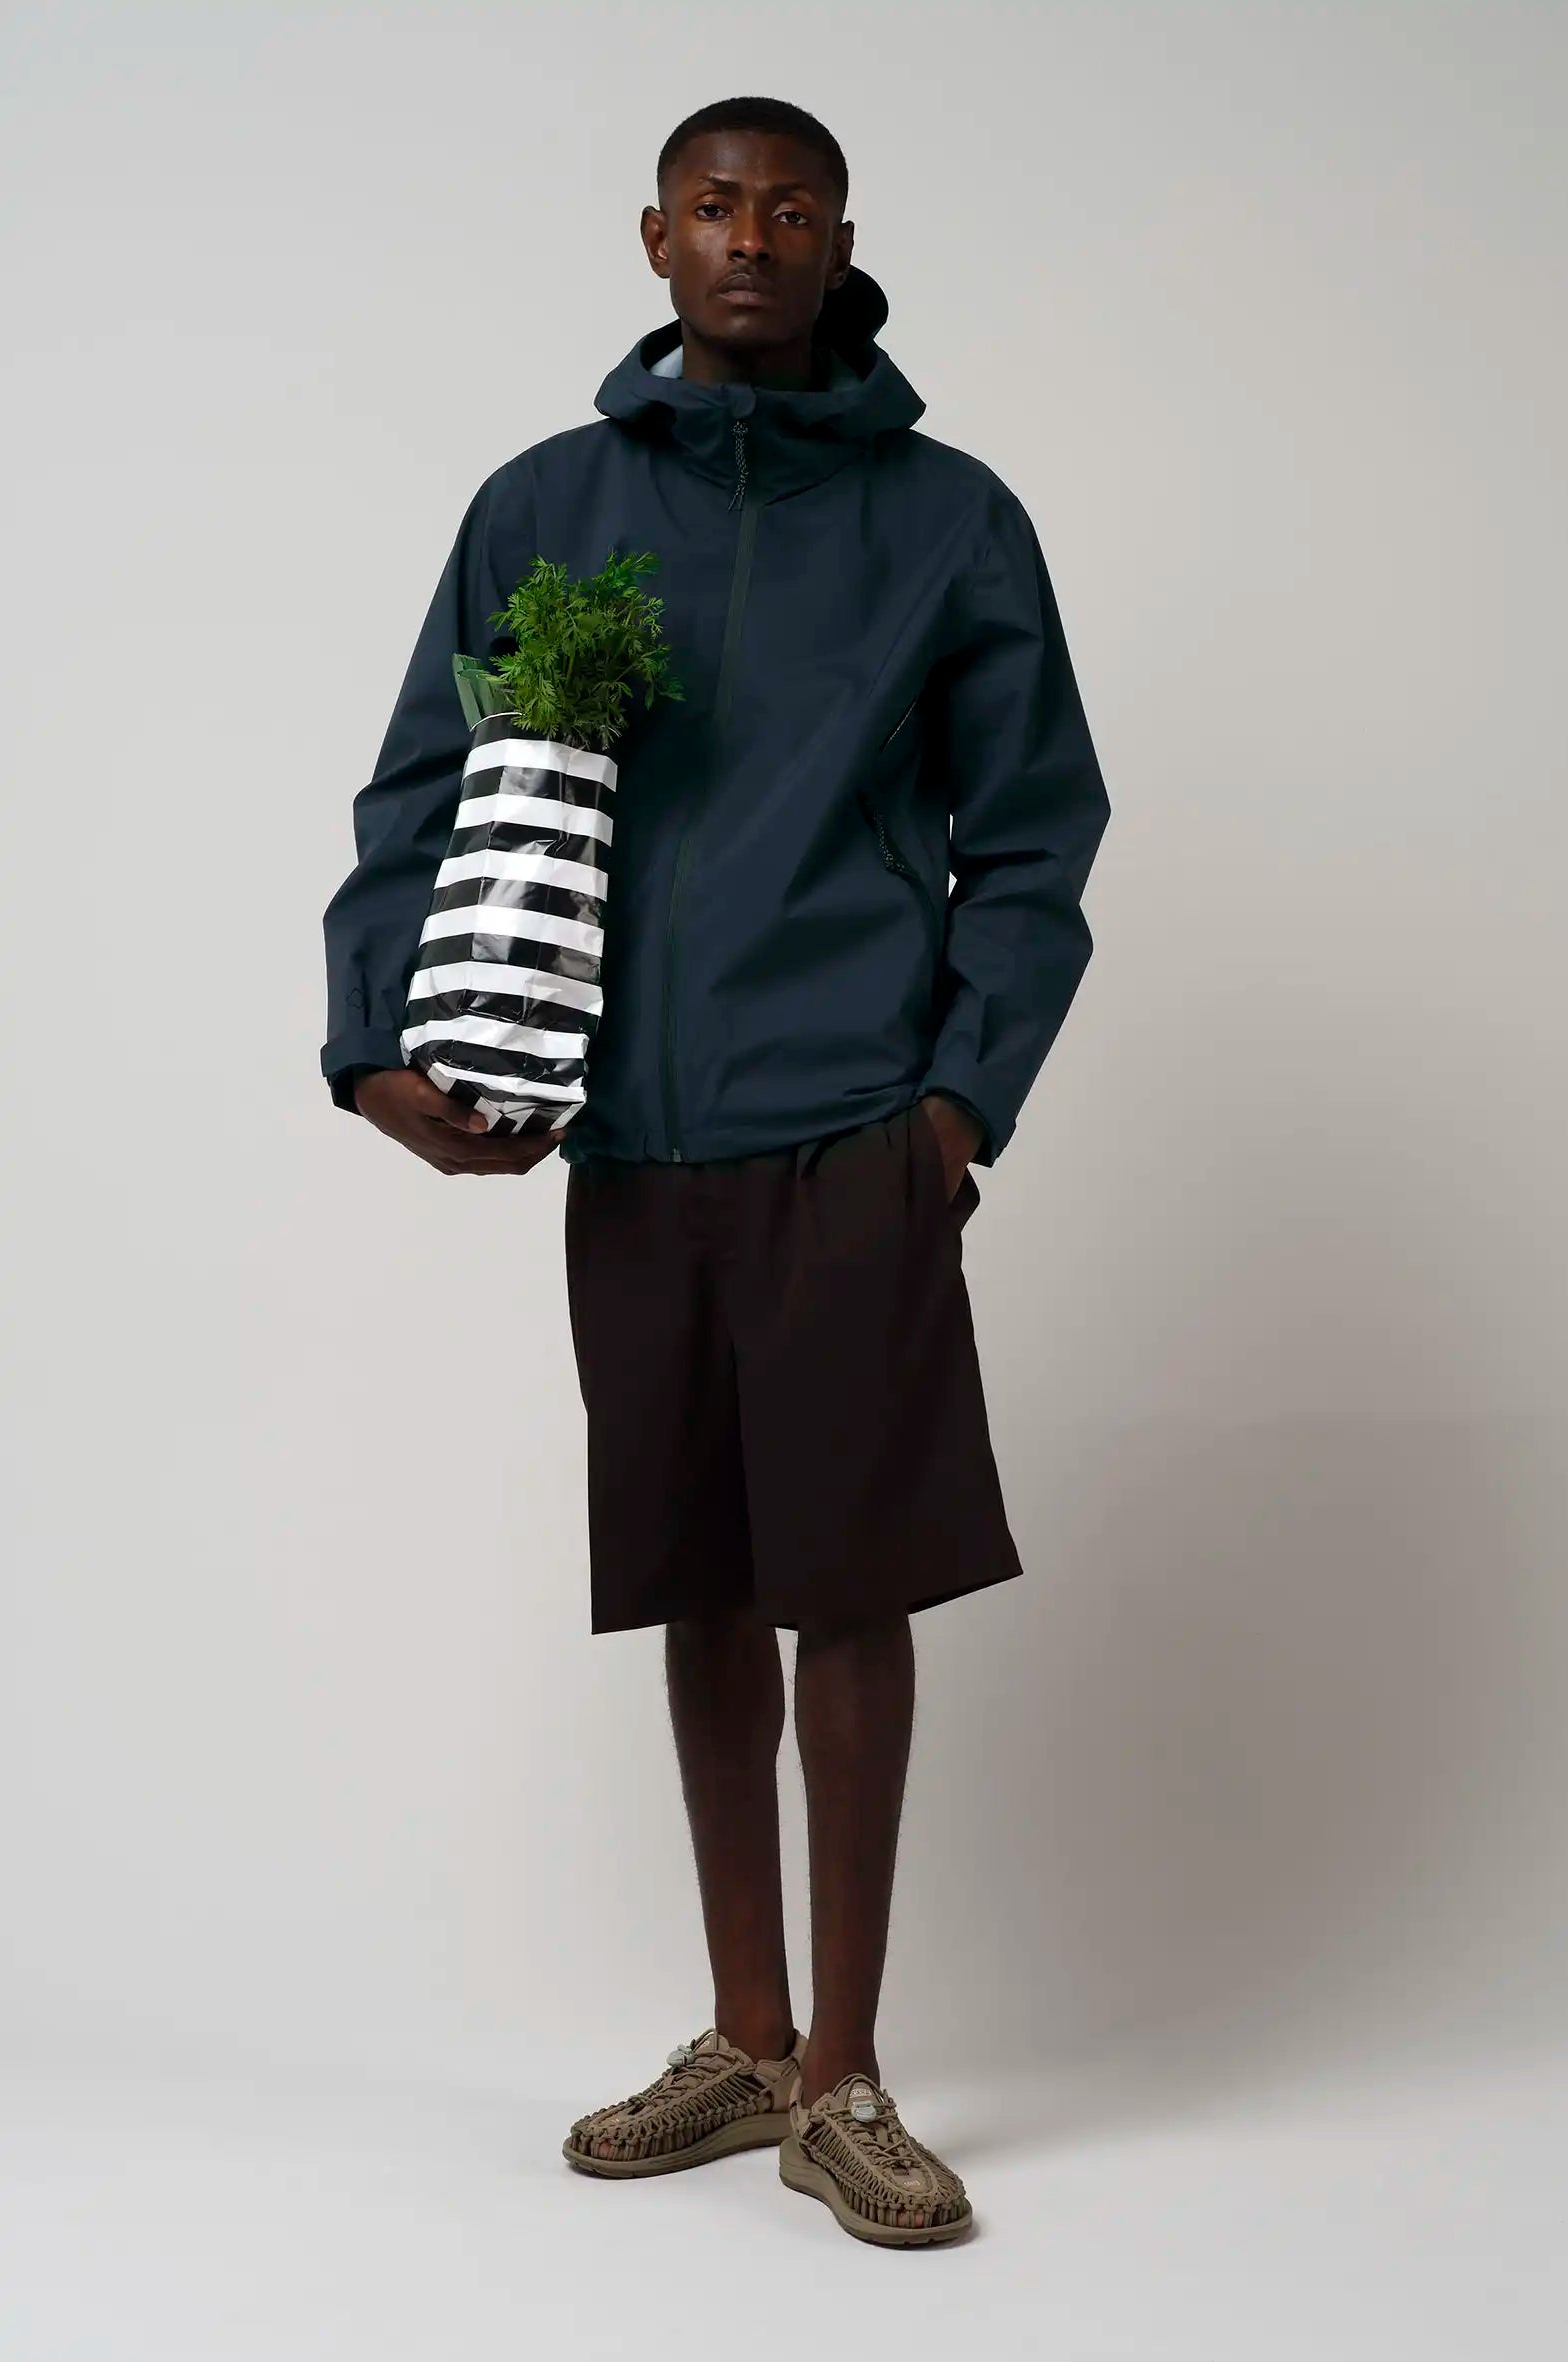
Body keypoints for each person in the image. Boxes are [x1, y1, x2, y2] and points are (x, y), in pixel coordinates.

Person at [319, 94, 1109, 2247]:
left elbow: (1035, 829)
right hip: (633, 1131)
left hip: (854, 1126)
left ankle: (845, 2072)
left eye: (793, 209)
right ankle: (747, 2035)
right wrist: (376, 1039)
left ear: (842, 242)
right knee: (692, 1578)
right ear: (653, 236)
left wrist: (956, 1103)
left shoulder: (948, 519)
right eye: (713, 205)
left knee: (843, 1583)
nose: (751, 236)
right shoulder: (544, 504)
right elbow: (426, 787)